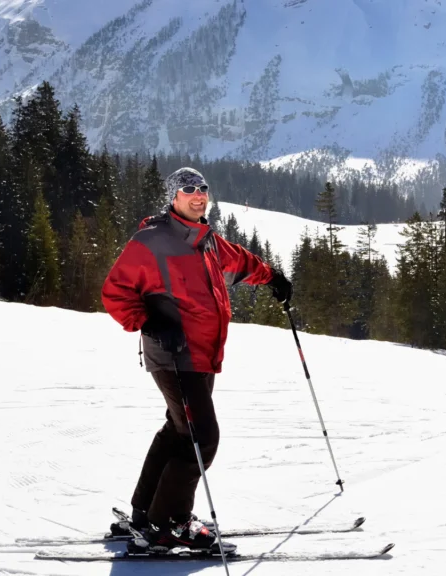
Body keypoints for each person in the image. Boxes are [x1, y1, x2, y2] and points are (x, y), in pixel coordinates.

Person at [100, 167, 292, 550]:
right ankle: (170, 522)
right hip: (174, 356)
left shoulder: (207, 243)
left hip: (203, 355)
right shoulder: (151, 241)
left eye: (202, 188)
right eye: (188, 189)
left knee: (178, 430)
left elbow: (242, 263)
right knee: (202, 437)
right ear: (173, 197)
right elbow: (115, 292)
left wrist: (273, 278)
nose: (198, 194)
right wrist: (149, 321)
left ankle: (144, 513)